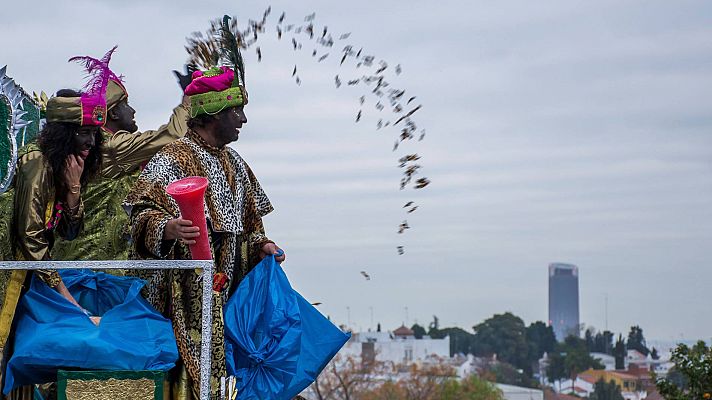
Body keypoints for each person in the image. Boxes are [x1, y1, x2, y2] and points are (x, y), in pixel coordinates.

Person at [124, 59, 285, 398]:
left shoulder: (237, 163)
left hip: (227, 299)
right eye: (236, 111)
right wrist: (166, 228)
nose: (242, 119)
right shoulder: (171, 157)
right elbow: (138, 212)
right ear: (213, 114)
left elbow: (252, 227)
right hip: (179, 302)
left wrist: (262, 246)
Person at [51, 50, 190, 261]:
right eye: (126, 104)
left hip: (89, 261)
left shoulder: (97, 145)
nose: (133, 111)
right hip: (92, 269)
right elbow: (173, 135)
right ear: (113, 113)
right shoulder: (112, 146)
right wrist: (189, 99)